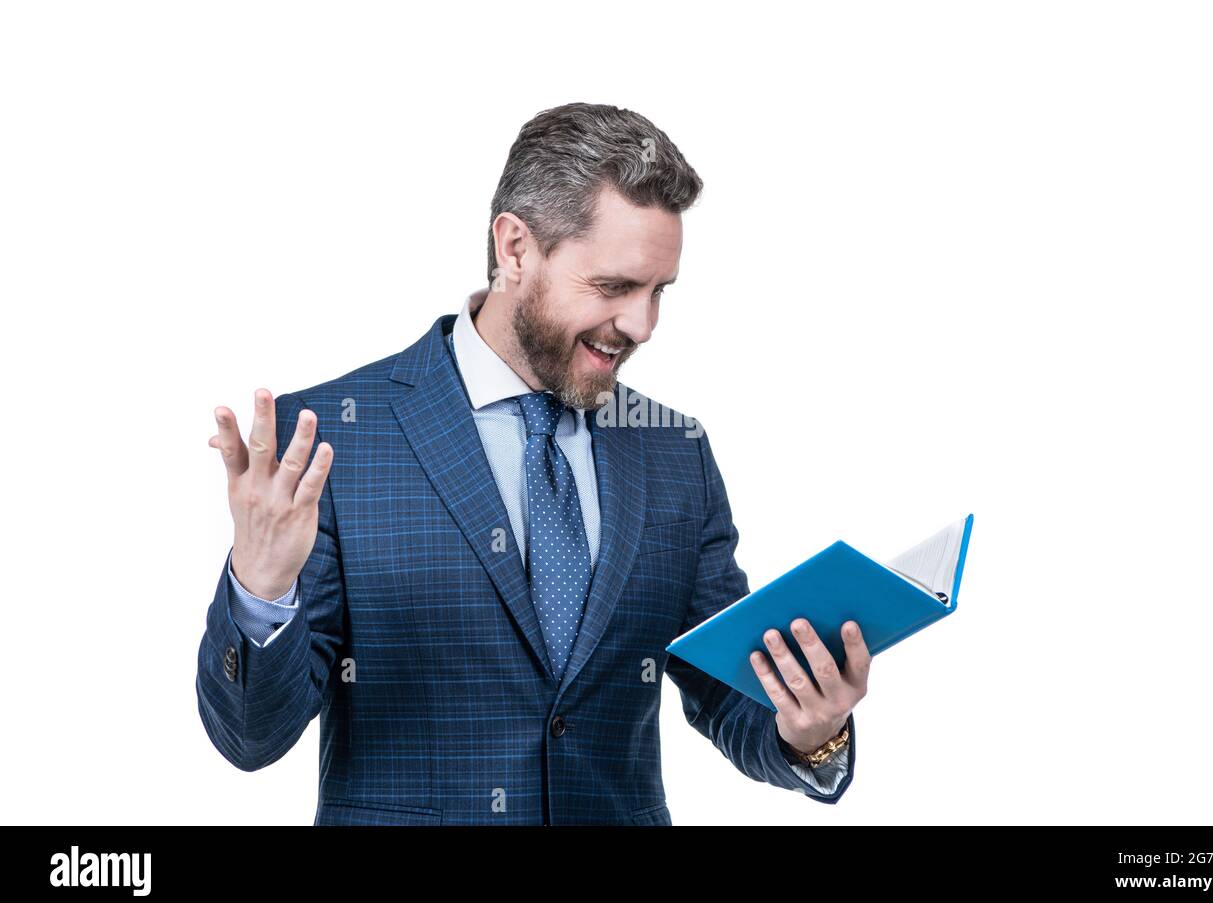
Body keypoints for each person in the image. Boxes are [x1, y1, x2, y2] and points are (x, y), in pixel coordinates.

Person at [197, 102, 870, 825]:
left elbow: (729, 693)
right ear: (515, 249)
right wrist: (260, 586)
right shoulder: (333, 441)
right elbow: (251, 737)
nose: (642, 326)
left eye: (658, 292)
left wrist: (809, 731)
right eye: (614, 288)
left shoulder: (675, 453)